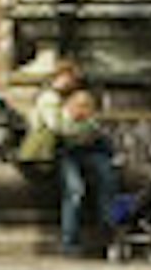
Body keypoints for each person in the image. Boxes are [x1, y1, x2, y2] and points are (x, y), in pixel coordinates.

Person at [47, 60, 116, 257]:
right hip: (65, 151)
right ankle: (70, 241)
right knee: (75, 190)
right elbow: (59, 128)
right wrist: (81, 122)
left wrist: (87, 122)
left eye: (71, 78)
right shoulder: (49, 99)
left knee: (108, 179)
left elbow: (95, 124)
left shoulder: (82, 95)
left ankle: (108, 233)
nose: (68, 82)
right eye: (65, 77)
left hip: (90, 149)